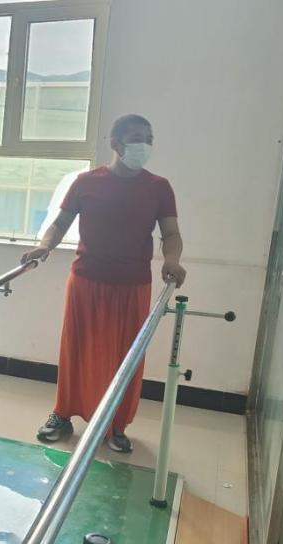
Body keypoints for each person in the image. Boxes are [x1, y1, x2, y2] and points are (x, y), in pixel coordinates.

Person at [24, 114, 186, 454]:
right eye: (138, 137)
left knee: (126, 356)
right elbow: (60, 223)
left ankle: (115, 423)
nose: (145, 145)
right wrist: (44, 246)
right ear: (116, 143)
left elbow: (171, 233)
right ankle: (62, 414)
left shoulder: (159, 187)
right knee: (76, 349)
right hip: (87, 280)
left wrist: (172, 260)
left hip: (133, 285)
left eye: (149, 138)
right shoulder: (86, 182)